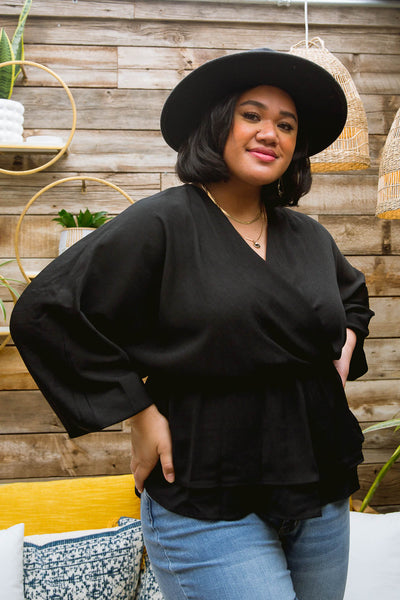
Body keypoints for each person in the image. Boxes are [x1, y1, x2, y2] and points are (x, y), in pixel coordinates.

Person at [11, 49, 374, 600]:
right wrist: (138, 413)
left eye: (286, 125)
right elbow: (47, 311)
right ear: (218, 123)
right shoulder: (163, 221)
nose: (270, 133)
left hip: (319, 486)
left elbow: (352, 300)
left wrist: (344, 344)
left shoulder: (309, 237)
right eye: (251, 116)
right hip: (206, 491)